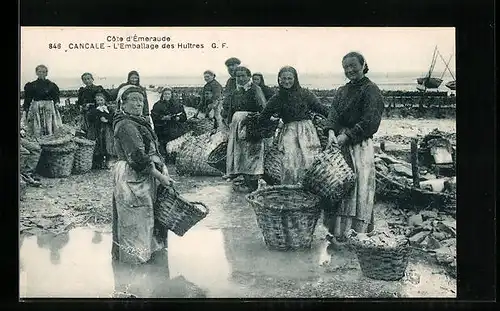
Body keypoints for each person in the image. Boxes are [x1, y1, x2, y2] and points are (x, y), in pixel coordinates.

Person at [323, 51, 385, 244]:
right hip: (340, 143)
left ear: (363, 65)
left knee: (359, 188)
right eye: (346, 67)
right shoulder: (342, 91)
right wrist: (331, 132)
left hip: (359, 145)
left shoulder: (370, 90)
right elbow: (333, 113)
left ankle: (358, 234)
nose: (350, 70)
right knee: (340, 187)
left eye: (353, 66)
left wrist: (347, 136)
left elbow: (370, 121)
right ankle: (340, 233)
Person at [112, 84, 174, 264]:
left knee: (147, 216)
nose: (139, 104)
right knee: (137, 218)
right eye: (133, 100)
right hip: (134, 175)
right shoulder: (126, 125)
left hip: (146, 174)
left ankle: (148, 259)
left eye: (141, 100)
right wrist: (160, 176)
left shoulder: (139, 121)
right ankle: (135, 263)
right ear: (122, 104)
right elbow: (138, 158)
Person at [258, 66, 329, 185]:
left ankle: (309, 190)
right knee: (289, 162)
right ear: (279, 80)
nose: (287, 81)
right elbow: (263, 117)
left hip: (306, 131)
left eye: (290, 78)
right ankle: (291, 190)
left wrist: (334, 121)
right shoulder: (277, 98)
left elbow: (321, 109)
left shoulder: (305, 93)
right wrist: (275, 121)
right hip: (289, 132)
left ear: (295, 79)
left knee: (310, 160)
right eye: (283, 78)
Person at [221, 66, 267, 192]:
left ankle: (253, 183)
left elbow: (263, 107)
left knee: (251, 153)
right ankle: (244, 179)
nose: (240, 79)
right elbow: (231, 109)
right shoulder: (236, 92)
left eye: (243, 76)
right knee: (239, 152)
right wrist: (229, 122)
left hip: (250, 124)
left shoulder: (255, 89)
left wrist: (256, 121)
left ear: (248, 76)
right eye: (238, 76)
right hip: (236, 125)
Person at [22, 64, 63, 138]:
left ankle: (50, 137)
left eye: (43, 72)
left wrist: (57, 102)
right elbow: (28, 99)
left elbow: (55, 96)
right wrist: (25, 109)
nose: (41, 73)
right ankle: (39, 138)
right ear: (36, 73)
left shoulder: (52, 85)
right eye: (39, 71)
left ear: (46, 73)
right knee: (37, 123)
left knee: (50, 123)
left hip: (49, 107)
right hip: (36, 107)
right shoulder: (31, 85)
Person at [150, 87, 188, 160]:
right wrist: (163, 118)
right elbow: (154, 116)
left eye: (168, 94)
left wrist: (178, 118)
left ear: (171, 95)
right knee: (163, 140)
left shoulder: (177, 104)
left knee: (175, 140)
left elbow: (184, 116)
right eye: (165, 94)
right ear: (162, 95)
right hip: (162, 127)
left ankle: (174, 156)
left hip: (175, 127)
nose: (167, 95)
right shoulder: (157, 105)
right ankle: (165, 155)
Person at [76, 72, 109, 137]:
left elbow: (105, 98)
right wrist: (83, 106)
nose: (87, 81)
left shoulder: (98, 88)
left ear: (92, 79)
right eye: (84, 79)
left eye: (88, 79)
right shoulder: (82, 90)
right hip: (86, 111)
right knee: (85, 127)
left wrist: (91, 105)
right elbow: (79, 102)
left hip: (97, 109)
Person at [91, 92, 116, 169]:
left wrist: (107, 120)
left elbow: (113, 119)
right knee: (100, 144)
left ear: (105, 100)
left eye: (101, 100)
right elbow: (91, 119)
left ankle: (109, 160)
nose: (100, 102)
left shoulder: (109, 109)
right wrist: (97, 115)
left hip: (108, 130)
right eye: (98, 100)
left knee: (108, 144)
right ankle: (99, 162)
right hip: (98, 129)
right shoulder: (95, 110)